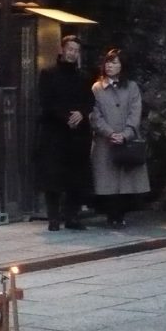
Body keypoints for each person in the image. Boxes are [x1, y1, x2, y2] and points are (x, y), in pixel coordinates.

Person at [37, 35, 95, 231]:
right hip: (54, 132)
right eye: (70, 49)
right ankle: (53, 217)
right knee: (53, 176)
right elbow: (45, 101)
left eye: (76, 51)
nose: (72, 53)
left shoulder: (84, 77)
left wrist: (82, 113)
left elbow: (89, 100)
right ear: (62, 50)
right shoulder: (48, 73)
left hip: (78, 134)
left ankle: (72, 216)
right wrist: (64, 117)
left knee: (76, 176)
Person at [90, 48, 150, 228]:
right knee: (107, 180)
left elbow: (135, 112)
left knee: (126, 179)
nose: (110, 66)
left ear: (122, 66)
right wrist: (109, 133)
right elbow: (95, 115)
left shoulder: (131, 87)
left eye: (114, 62)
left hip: (127, 140)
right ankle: (110, 214)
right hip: (104, 141)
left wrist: (126, 134)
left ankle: (121, 214)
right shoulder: (97, 88)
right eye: (108, 62)